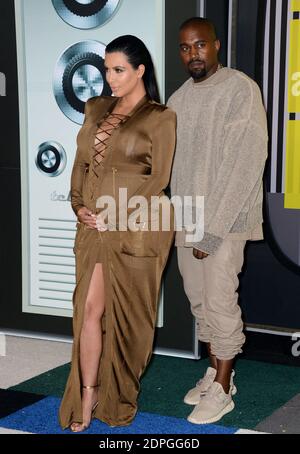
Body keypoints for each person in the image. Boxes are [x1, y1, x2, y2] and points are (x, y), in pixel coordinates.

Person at [59, 35, 176, 431]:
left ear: (141, 70)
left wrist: (117, 213)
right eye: (107, 69)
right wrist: (78, 206)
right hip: (92, 228)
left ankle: (119, 395)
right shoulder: (95, 108)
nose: (109, 77)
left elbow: (158, 178)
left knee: (131, 322)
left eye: (119, 70)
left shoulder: (161, 117)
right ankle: (88, 394)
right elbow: (81, 163)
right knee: (89, 311)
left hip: (136, 229)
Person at [168, 17, 268, 424]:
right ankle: (214, 372)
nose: (193, 54)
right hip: (187, 217)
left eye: (200, 45)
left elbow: (245, 163)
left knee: (221, 301)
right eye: (186, 48)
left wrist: (212, 229)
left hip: (226, 220)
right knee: (199, 302)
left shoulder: (240, 88)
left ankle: (224, 388)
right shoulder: (178, 98)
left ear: (217, 45)